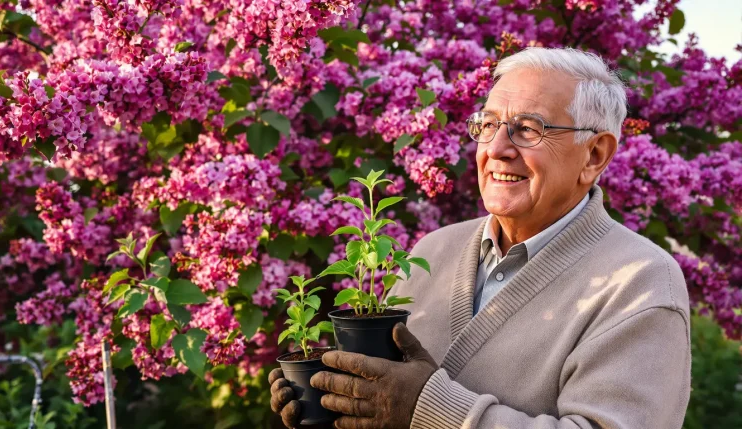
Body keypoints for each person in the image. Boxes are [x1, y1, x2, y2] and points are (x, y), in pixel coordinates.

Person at [268, 47, 691, 429]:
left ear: (594, 154)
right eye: (488, 124)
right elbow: (385, 400)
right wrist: (332, 401)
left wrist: (427, 410)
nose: (498, 148)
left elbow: (412, 406)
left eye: (529, 129)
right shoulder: (435, 249)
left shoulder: (641, 282)